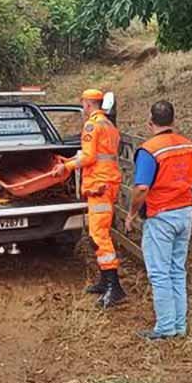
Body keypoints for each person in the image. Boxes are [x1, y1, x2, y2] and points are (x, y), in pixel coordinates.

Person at [124, 101, 192, 340]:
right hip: (184, 212)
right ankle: (179, 325)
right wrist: (179, 185)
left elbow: (141, 188)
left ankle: (166, 327)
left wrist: (131, 213)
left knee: (159, 273)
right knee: (176, 270)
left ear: (151, 122)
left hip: (160, 215)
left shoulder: (150, 150)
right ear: (173, 120)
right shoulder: (187, 144)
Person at [55, 88, 125, 308]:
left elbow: (88, 156)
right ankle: (106, 281)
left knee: (99, 235)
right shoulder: (109, 125)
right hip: (106, 184)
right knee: (99, 233)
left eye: (83, 103)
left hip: (100, 186)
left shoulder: (92, 125)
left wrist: (65, 166)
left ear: (87, 104)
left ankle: (114, 286)